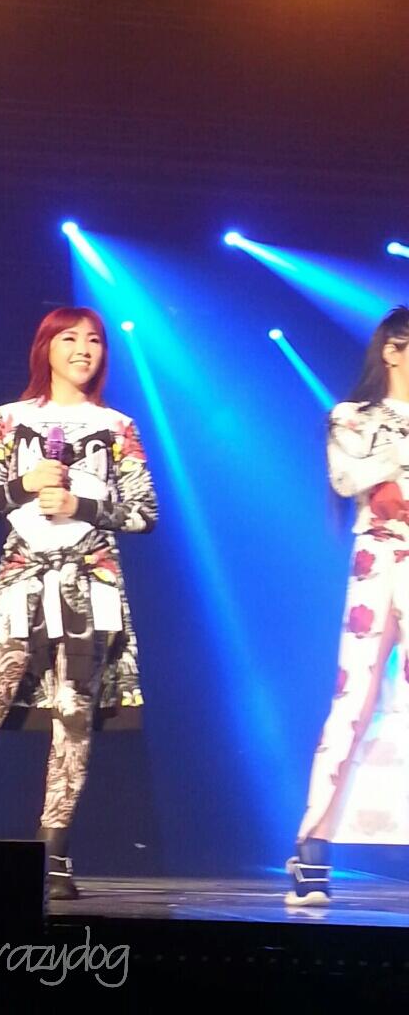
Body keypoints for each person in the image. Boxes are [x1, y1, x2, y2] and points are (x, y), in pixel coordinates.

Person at [0, 306, 158, 899]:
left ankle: (54, 854)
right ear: (46, 347)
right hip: (21, 579)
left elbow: (144, 513)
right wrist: (24, 486)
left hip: (89, 586)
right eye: (70, 338)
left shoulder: (118, 427)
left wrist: (81, 506)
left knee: (73, 719)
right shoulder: (11, 419)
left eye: (94, 340)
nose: (84, 349)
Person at [286, 305, 409, 906]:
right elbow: (347, 479)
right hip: (380, 561)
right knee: (353, 700)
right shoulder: (354, 415)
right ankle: (313, 843)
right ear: (392, 348)